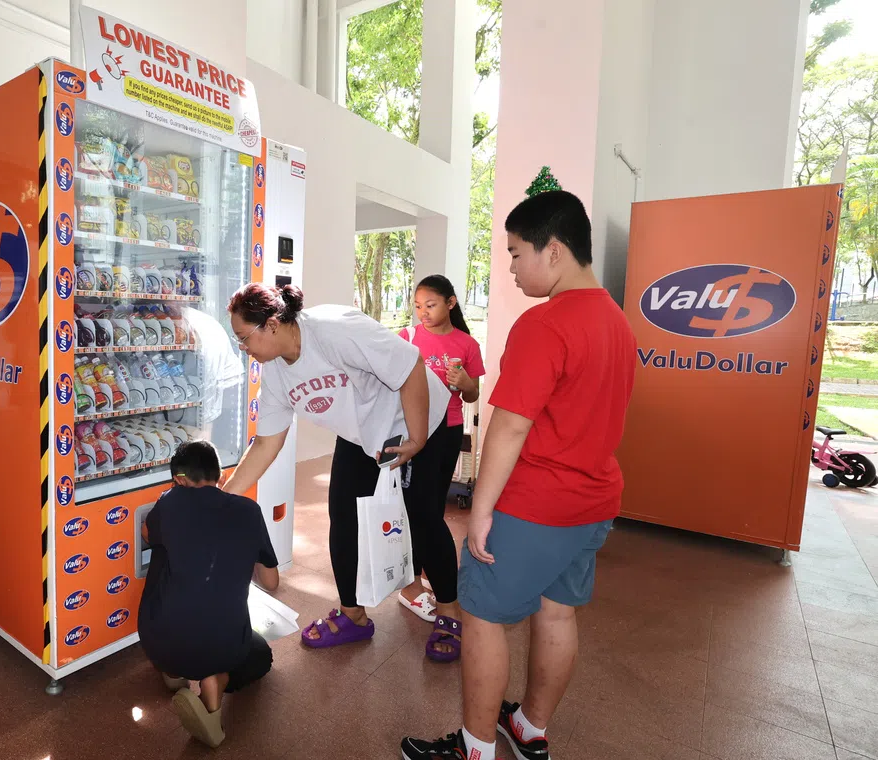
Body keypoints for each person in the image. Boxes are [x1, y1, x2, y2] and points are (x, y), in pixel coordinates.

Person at [402, 191, 637, 760]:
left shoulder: (545, 323)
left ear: (552, 250)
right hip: (593, 502)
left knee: (481, 616)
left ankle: (475, 748)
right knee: (557, 611)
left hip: (534, 504)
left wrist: (480, 511)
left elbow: (508, 427)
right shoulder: (617, 321)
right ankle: (529, 728)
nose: (509, 267)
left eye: (513, 253)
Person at [222, 284, 458, 660]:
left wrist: (415, 439)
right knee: (343, 515)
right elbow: (266, 444)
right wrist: (221, 501)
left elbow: (411, 365)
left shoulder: (333, 329)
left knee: (422, 517)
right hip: (364, 432)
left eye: (243, 337)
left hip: (418, 416)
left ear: (271, 324)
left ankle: (449, 611)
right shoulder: (276, 373)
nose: (242, 347)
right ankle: (353, 615)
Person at [138, 440, 280, 748]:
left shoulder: (170, 501)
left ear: (179, 479)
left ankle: (172, 670)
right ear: (222, 475)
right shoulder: (249, 511)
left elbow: (146, 533)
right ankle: (213, 692)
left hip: (157, 641)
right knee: (260, 655)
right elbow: (271, 582)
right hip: (223, 647)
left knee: (163, 549)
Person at [395, 275, 485, 632]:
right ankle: (412, 585)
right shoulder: (407, 338)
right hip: (413, 432)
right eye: (418, 306)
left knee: (431, 508)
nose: (423, 313)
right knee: (416, 510)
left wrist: (465, 384)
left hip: (447, 432)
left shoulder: (467, 344)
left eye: (430, 305)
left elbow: (473, 395)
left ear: (450, 303)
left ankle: (424, 577)